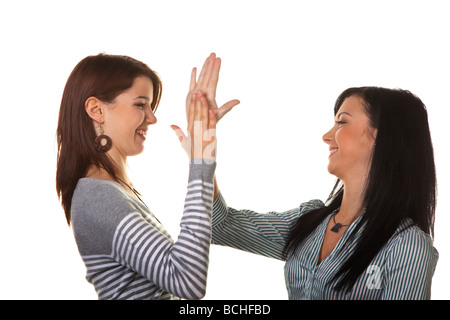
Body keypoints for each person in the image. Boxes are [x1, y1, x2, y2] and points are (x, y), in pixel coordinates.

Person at [207, 84, 438, 299]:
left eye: (341, 122)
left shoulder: (407, 245)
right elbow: (218, 227)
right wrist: (203, 153)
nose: (327, 136)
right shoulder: (309, 221)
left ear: (380, 136)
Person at [56, 53, 222, 300]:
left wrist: (202, 154)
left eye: (151, 106)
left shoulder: (110, 189)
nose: (153, 118)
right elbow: (188, 281)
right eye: (140, 104)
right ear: (96, 109)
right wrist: (201, 160)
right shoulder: (97, 197)